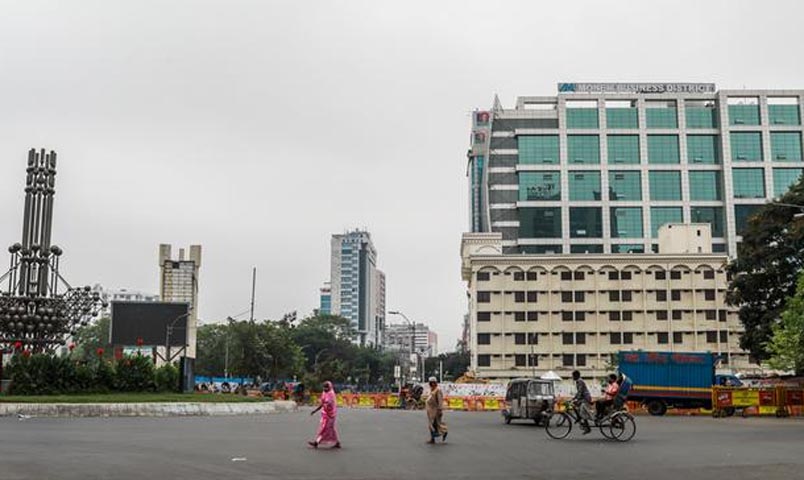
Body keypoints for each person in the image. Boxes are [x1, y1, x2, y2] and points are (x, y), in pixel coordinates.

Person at [308, 381, 341, 449]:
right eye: (324, 388)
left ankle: (316, 442)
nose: (325, 389)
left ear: (329, 387)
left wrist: (322, 407)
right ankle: (337, 442)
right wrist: (315, 411)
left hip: (331, 415)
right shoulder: (324, 393)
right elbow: (322, 404)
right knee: (331, 429)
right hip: (325, 414)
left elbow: (327, 404)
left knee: (324, 429)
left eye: (326, 388)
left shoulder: (331, 394)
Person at [425, 377, 448, 444]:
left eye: (433, 382)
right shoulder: (431, 390)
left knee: (436, 424)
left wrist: (440, 409)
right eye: (430, 383)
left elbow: (440, 401)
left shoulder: (438, 390)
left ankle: (444, 432)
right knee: (431, 425)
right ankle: (432, 439)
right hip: (430, 411)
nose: (431, 384)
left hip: (436, 411)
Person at [572, 370, 592, 434]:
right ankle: (579, 417)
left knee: (582, 412)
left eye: (573, 376)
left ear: (576, 376)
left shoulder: (580, 381)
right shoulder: (578, 381)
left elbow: (580, 391)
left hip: (586, 398)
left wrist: (576, 399)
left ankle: (587, 428)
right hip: (583, 398)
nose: (572, 377)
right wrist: (574, 398)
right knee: (574, 405)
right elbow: (578, 392)